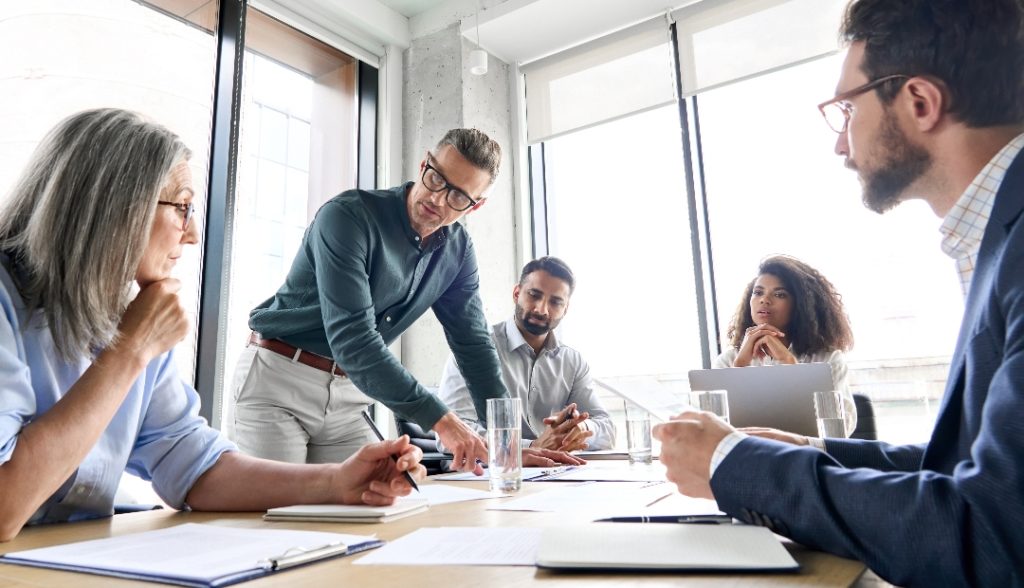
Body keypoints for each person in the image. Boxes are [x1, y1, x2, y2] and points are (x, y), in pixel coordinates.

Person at [654, 0, 1024, 585]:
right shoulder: (998, 237)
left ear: (920, 103)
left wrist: (735, 463)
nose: (840, 144)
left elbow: (995, 535)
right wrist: (805, 449)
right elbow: (964, 468)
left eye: (846, 109)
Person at [0, 109, 425, 542]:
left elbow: (194, 465)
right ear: (116, 209)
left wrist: (336, 482)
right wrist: (130, 351)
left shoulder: (132, 316)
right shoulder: (32, 309)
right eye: (182, 208)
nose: (193, 234)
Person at [233, 128, 578, 472]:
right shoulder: (347, 217)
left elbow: (473, 347)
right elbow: (354, 340)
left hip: (348, 398)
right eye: (436, 179)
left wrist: (508, 444)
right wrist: (442, 420)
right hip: (279, 381)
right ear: (424, 163)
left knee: (379, 509)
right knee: (277, 517)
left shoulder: (457, 251)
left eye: (459, 197)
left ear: (476, 206)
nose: (438, 199)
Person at [436, 257, 615, 452]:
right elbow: (453, 433)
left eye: (555, 302)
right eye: (534, 295)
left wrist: (583, 428)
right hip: (488, 474)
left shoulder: (572, 362)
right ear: (516, 293)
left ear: (566, 309)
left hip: (552, 474)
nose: (541, 309)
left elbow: (607, 430)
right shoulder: (473, 348)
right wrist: (531, 447)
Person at [715, 255, 856, 434]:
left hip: (805, 458)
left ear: (800, 305)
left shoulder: (828, 359)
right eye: (758, 292)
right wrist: (739, 369)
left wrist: (791, 365)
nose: (764, 300)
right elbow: (716, 434)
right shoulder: (728, 360)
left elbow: (838, 430)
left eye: (779, 294)